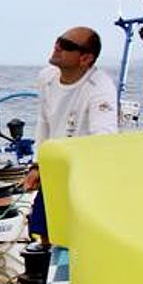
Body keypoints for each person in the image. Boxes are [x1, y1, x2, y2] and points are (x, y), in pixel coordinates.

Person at [22, 27, 117, 244]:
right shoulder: (46, 77)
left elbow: (104, 137)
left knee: (79, 239)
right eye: (59, 40)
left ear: (85, 58)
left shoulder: (100, 88)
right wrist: (37, 165)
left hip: (84, 174)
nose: (57, 46)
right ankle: (47, 272)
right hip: (54, 169)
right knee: (44, 232)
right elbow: (44, 123)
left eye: (67, 45)